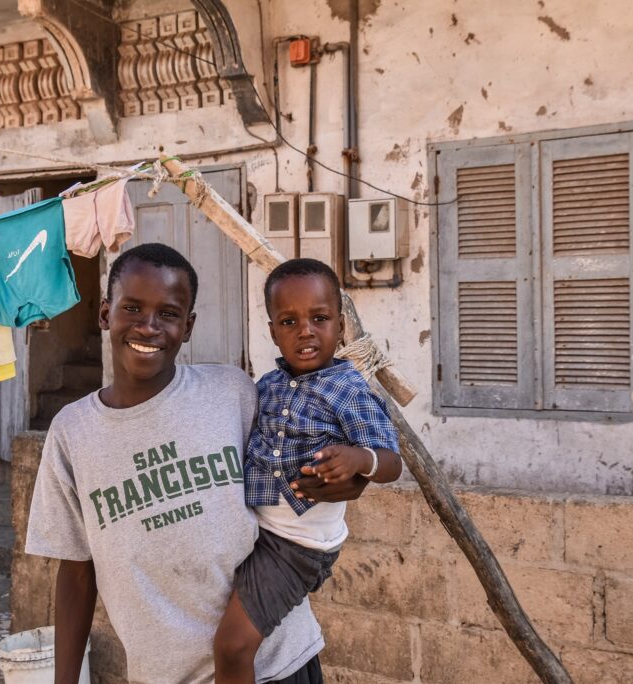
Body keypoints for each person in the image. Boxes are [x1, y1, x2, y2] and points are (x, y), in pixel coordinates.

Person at [25, 244, 389, 683]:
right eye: (132, 308)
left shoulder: (232, 392)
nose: (149, 327)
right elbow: (77, 569)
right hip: (166, 674)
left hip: (278, 662)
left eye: (169, 313)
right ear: (105, 314)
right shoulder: (72, 432)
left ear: (188, 325)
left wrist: (353, 478)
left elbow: (308, 445)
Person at [213, 258, 403, 684]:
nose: (305, 331)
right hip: (254, 532)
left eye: (319, 318)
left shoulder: (348, 390)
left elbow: (392, 462)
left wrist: (358, 460)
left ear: (339, 324)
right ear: (272, 331)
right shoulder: (265, 386)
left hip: (296, 546)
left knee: (232, 646)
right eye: (289, 321)